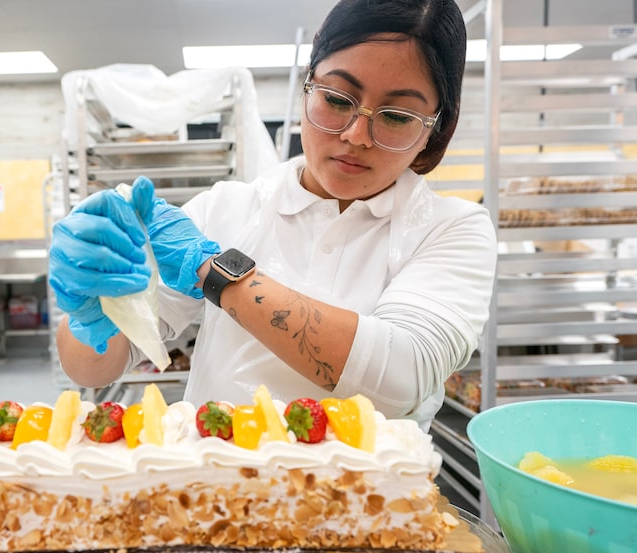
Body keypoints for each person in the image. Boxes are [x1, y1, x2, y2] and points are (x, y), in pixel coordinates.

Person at [49, 0, 496, 433]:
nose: (356, 135)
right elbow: (94, 369)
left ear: (437, 128)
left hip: (369, 501)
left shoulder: (452, 229)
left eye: (396, 115)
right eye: (338, 99)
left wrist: (212, 270)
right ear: (308, 87)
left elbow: (401, 378)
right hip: (215, 495)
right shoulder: (226, 208)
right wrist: (94, 312)